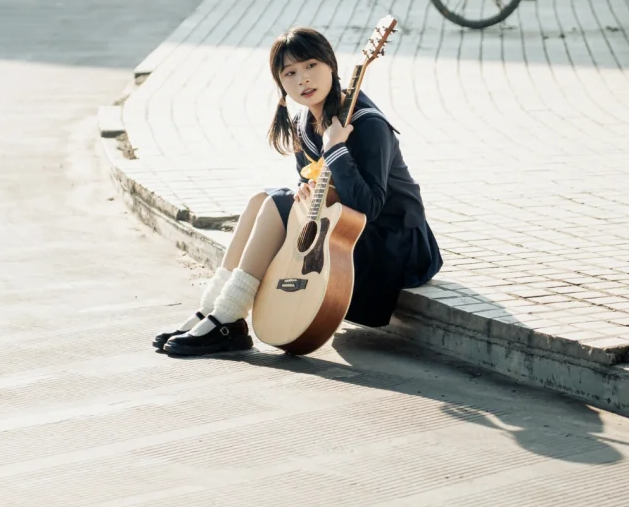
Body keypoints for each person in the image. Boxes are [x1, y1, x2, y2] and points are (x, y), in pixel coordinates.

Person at [156, 26, 442, 357]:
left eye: (310, 66)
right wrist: (307, 196)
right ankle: (213, 310)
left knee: (277, 203)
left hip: (394, 250)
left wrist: (336, 150)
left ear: (331, 66)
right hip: (344, 241)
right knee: (262, 199)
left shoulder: (367, 124)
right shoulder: (303, 125)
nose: (302, 79)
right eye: (289, 73)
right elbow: (321, 191)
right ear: (280, 84)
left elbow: (370, 207)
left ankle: (228, 317)